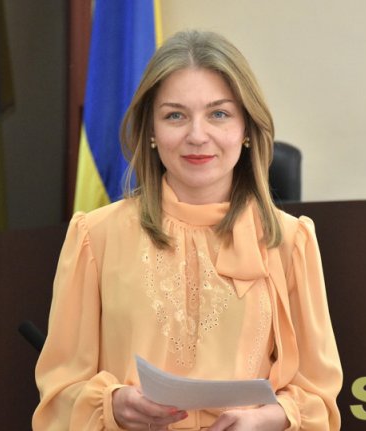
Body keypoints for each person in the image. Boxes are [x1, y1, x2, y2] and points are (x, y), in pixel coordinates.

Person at [33, 30, 342, 430]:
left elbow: (319, 397)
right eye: (175, 115)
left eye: (219, 114)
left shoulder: (290, 241)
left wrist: (274, 418)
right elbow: (58, 395)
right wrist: (112, 406)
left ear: (247, 129)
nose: (197, 136)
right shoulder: (95, 237)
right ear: (151, 131)